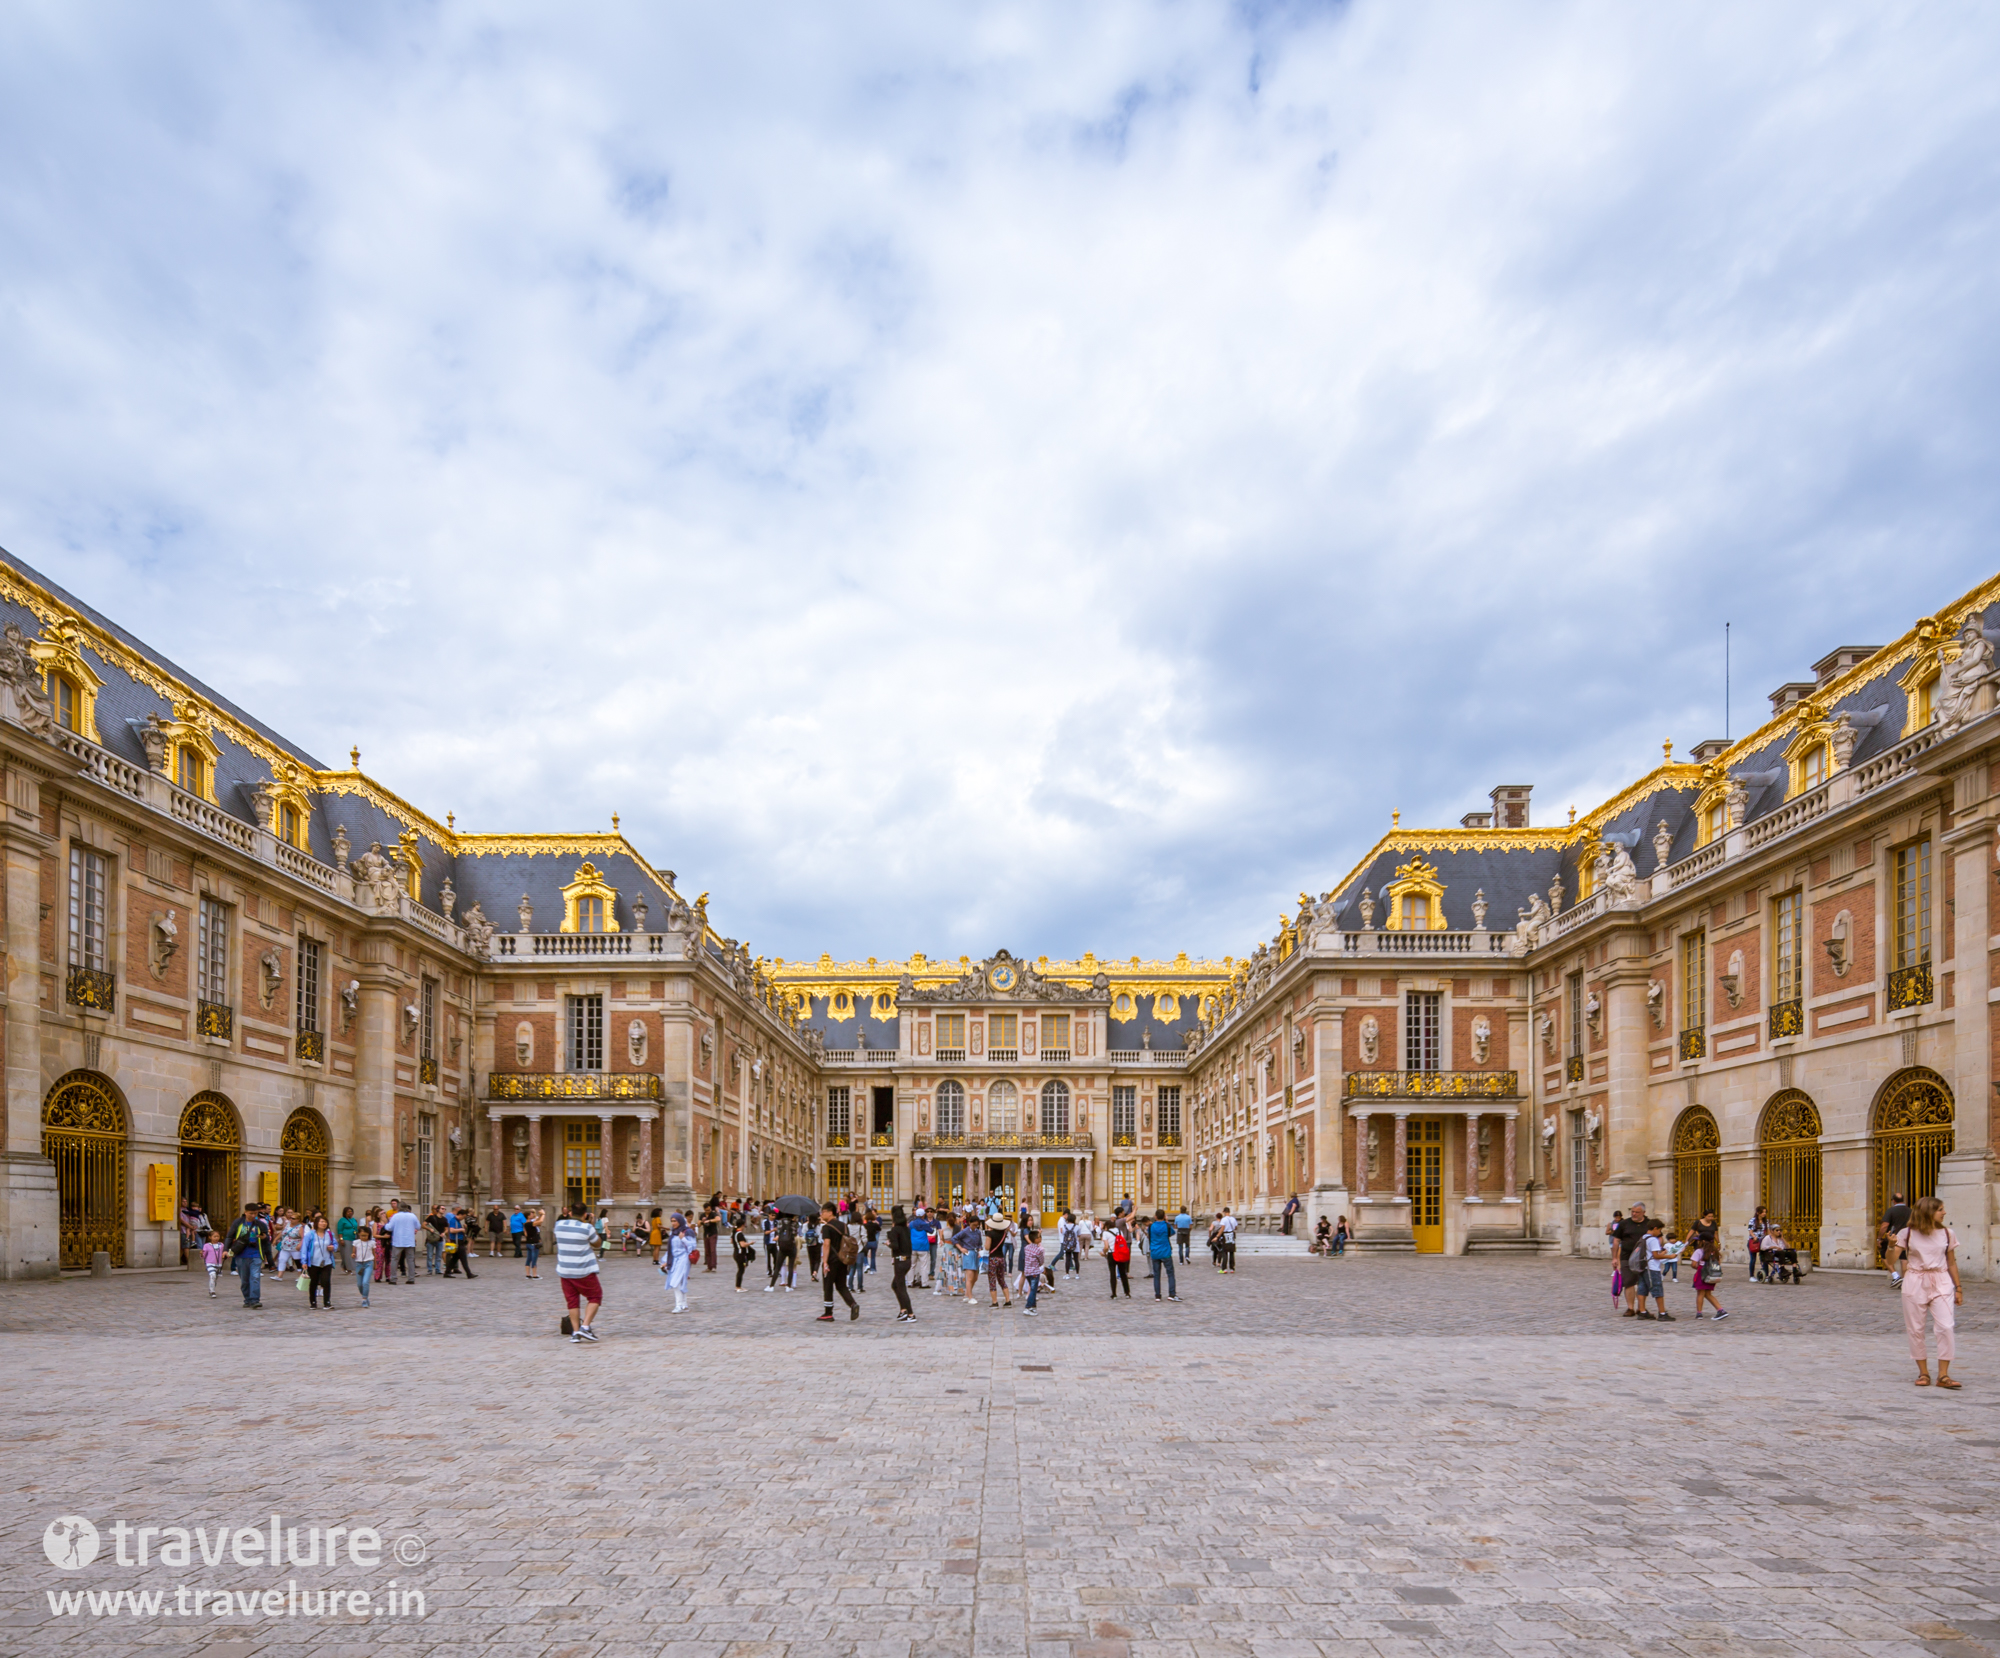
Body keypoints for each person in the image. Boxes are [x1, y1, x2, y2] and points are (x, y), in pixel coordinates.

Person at [1886, 1195, 1962, 1388]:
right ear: (1928, 1211)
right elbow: (1890, 1260)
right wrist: (1891, 1245)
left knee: (1946, 1326)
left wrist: (1959, 1287)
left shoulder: (1947, 1233)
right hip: (1915, 1280)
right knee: (1916, 1329)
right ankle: (1924, 1373)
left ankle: (1943, 1375)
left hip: (1941, 1280)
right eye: (1940, 1209)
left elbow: (1951, 1262)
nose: (1944, 1212)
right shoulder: (1907, 1233)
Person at [554, 1203, 605, 1342]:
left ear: (570, 1213)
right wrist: (590, 1224)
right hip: (583, 1270)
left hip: (565, 1270)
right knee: (595, 1296)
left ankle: (575, 1332)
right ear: (585, 1214)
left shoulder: (558, 1225)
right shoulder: (586, 1227)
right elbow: (598, 1243)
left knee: (572, 1302)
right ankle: (585, 1327)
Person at [816, 1202, 860, 1322]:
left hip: (832, 1260)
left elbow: (826, 1244)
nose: (821, 1214)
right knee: (841, 1285)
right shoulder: (844, 1225)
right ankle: (852, 1304)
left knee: (828, 1285)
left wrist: (825, 1262)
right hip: (843, 1259)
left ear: (830, 1212)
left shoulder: (826, 1228)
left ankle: (828, 1313)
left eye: (823, 1212)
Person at [1611, 1205, 1647, 1315]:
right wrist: (1615, 1258)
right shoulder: (1624, 1224)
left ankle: (1641, 1308)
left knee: (1643, 1283)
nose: (1634, 1214)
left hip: (1644, 1258)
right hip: (1626, 1257)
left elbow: (1658, 1237)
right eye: (1632, 1211)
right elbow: (1616, 1240)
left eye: (1637, 1212)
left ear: (1643, 1212)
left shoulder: (1649, 1223)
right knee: (1629, 1283)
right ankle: (1630, 1308)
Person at [228, 1204, 266, 1308]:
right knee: (244, 1280)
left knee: (255, 1277)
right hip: (241, 1255)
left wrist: (264, 1238)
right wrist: (226, 1250)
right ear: (245, 1212)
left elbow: (266, 1239)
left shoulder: (260, 1224)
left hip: (256, 1255)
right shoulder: (238, 1222)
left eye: (255, 1213)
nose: (253, 1215)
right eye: (251, 1213)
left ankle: (255, 1300)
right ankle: (247, 1299)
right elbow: (229, 1236)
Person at [1689, 1231, 1728, 1320]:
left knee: (1700, 1293)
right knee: (1707, 1293)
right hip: (1712, 1274)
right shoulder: (1715, 1252)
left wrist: (1699, 1267)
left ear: (1702, 1241)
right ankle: (1720, 1310)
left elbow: (1693, 1264)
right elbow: (1718, 1263)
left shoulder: (1699, 1251)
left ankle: (1699, 1313)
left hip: (1701, 1273)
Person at [1639, 1219, 1673, 1320]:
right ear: (1655, 1228)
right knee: (1657, 1289)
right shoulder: (1653, 1239)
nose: (1660, 1233)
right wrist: (1669, 1256)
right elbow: (1655, 1256)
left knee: (1642, 1289)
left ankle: (1642, 1311)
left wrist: (1661, 1254)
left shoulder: (1643, 1237)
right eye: (1659, 1230)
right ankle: (1662, 1313)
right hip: (1652, 1268)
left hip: (1643, 1266)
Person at [302, 1214, 337, 1309]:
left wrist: (333, 1247)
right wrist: (304, 1261)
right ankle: (313, 1302)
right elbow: (304, 1248)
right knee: (313, 1282)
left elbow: (335, 1244)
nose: (323, 1223)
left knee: (326, 1281)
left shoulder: (329, 1234)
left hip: (327, 1261)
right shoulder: (310, 1234)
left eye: (325, 1222)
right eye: (321, 1221)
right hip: (314, 1262)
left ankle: (327, 1302)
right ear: (317, 1223)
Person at [889, 1205, 916, 1323]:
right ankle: (903, 1310)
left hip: (900, 1260)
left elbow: (895, 1245)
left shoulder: (895, 1230)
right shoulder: (906, 1229)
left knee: (901, 1287)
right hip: (907, 1260)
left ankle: (910, 1313)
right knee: (895, 1285)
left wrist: (888, 1243)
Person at [663, 1212, 695, 1313]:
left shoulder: (687, 1232)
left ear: (680, 1221)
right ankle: (684, 1305)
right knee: (680, 1282)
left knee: (675, 1282)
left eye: (675, 1221)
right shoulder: (673, 1232)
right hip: (675, 1259)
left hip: (684, 1259)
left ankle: (679, 1305)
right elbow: (671, 1249)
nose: (673, 1223)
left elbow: (692, 1246)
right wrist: (665, 1261)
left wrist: (683, 1239)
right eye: (671, 1221)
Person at [1148, 1208, 1179, 1302]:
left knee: (1156, 1275)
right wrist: (1167, 1222)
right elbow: (1172, 1233)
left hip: (1155, 1252)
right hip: (1165, 1252)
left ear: (1155, 1217)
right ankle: (1171, 1294)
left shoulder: (1151, 1226)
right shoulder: (1167, 1226)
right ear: (1164, 1216)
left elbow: (1149, 1235)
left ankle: (1157, 1295)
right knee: (1170, 1274)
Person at [1879, 1191, 1912, 1272]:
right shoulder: (1910, 1211)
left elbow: (1884, 1225)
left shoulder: (1891, 1210)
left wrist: (1879, 1238)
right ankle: (1904, 1278)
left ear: (1893, 1200)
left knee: (1883, 1255)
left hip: (1893, 1237)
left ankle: (1895, 1276)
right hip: (1907, 1236)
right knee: (1904, 1258)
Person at [445, 1209, 478, 1278]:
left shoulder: (458, 1221)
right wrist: (461, 1230)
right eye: (463, 1217)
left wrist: (464, 1228)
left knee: (454, 1259)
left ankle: (447, 1272)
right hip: (457, 1242)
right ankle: (469, 1273)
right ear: (460, 1215)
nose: (463, 1218)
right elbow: (451, 1230)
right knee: (463, 1259)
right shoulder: (453, 1220)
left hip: (459, 1241)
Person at [353, 1218, 377, 1307]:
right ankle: (365, 1296)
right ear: (359, 1234)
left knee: (365, 1282)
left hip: (369, 1263)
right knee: (359, 1284)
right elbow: (354, 1252)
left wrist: (375, 1263)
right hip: (359, 1264)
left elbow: (374, 1254)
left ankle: (363, 1299)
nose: (364, 1237)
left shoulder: (372, 1242)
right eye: (362, 1235)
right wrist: (353, 1254)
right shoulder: (355, 1242)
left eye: (366, 1235)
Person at [732, 1212, 759, 1292]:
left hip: (737, 1253)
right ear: (743, 1225)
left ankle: (738, 1286)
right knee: (741, 1270)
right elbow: (742, 1245)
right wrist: (750, 1243)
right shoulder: (739, 1234)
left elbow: (732, 1241)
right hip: (740, 1254)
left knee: (741, 1269)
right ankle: (738, 1287)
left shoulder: (735, 1233)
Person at [1021, 1227, 1045, 1316]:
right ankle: (1028, 1307)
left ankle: (1033, 1307)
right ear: (1036, 1239)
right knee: (1033, 1290)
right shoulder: (1039, 1250)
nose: (1041, 1237)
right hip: (1034, 1271)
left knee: (1032, 1289)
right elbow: (1041, 1261)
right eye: (1039, 1236)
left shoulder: (1027, 1247)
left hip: (1027, 1271)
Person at [1107, 1218, 1133, 1298]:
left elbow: (1105, 1246)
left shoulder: (1106, 1233)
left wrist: (1103, 1252)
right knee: (1123, 1273)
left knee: (1112, 1274)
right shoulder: (1119, 1231)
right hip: (1120, 1253)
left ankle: (1114, 1294)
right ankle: (1127, 1293)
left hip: (1111, 1253)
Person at [200, 1228, 226, 1297]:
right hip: (210, 1263)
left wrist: (226, 1255)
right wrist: (202, 1254)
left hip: (219, 1264)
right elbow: (203, 1255)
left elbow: (224, 1253)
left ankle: (212, 1288)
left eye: (218, 1236)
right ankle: (212, 1291)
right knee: (212, 1275)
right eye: (214, 1236)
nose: (216, 1238)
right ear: (210, 1237)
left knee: (215, 1278)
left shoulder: (221, 1245)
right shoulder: (206, 1245)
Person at [424, 1205, 449, 1276]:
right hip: (431, 1239)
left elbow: (446, 1229)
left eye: (444, 1209)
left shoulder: (444, 1219)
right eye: (442, 1208)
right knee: (430, 1256)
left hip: (440, 1239)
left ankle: (438, 1269)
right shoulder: (432, 1217)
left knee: (438, 1256)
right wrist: (429, 1229)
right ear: (438, 1209)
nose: (444, 1210)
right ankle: (429, 1270)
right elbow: (423, 1225)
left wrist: (444, 1233)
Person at [1746, 1207, 1768, 1283]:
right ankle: (1751, 1276)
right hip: (1754, 1241)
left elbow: (1767, 1231)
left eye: (1765, 1212)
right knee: (1753, 1259)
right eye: (1763, 1212)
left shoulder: (1766, 1221)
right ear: (1758, 1212)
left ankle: (1766, 1275)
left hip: (1762, 1241)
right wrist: (1754, 1236)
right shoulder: (1752, 1220)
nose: (1764, 1213)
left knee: (1764, 1259)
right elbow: (1750, 1230)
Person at [336, 1206, 360, 1274]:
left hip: (354, 1238)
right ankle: (350, 1269)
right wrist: (341, 1239)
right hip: (346, 1239)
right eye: (348, 1212)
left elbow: (356, 1228)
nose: (350, 1213)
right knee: (347, 1254)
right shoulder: (342, 1220)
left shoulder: (354, 1219)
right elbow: (340, 1230)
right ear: (345, 1213)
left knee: (349, 1254)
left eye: (351, 1211)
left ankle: (345, 1267)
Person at [523, 1208, 543, 1278]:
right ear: (528, 1216)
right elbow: (540, 1221)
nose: (533, 1215)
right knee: (534, 1259)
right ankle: (535, 1275)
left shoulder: (526, 1224)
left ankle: (528, 1274)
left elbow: (537, 1220)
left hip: (528, 1243)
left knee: (529, 1259)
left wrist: (540, 1215)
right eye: (531, 1214)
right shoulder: (530, 1224)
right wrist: (543, 1214)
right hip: (534, 1243)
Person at [1218, 1207, 1238, 1273]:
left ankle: (1224, 1269)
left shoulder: (1223, 1219)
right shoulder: (1233, 1219)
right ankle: (1232, 1268)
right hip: (1231, 1235)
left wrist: (1217, 1236)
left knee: (1225, 1252)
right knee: (1232, 1252)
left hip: (1225, 1236)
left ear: (1224, 1212)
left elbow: (1222, 1228)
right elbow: (1236, 1227)